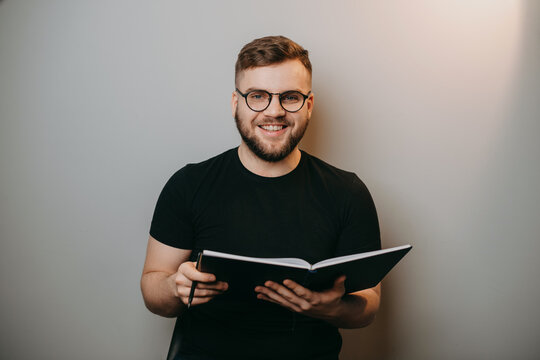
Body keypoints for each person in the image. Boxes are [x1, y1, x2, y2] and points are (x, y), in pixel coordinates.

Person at [141, 35, 381, 360]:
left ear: (308, 105)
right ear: (235, 102)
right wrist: (173, 288)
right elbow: (153, 288)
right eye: (258, 96)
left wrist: (333, 308)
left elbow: (368, 305)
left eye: (290, 97)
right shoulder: (188, 185)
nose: (274, 111)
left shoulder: (348, 193)